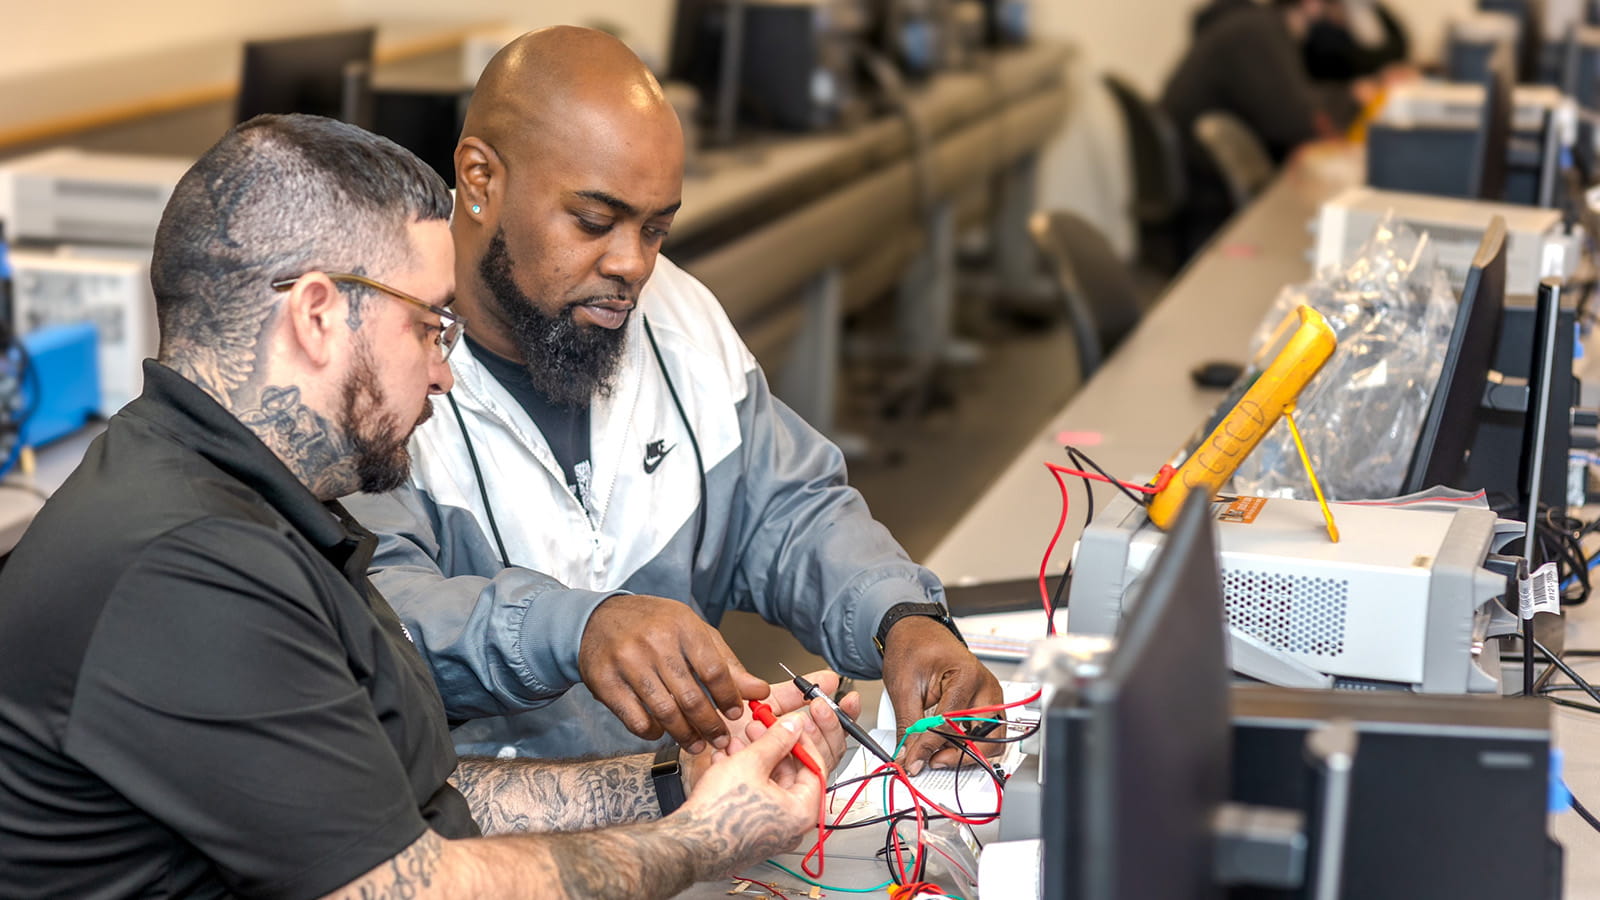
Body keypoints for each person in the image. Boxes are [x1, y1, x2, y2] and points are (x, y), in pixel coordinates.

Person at [0, 113, 852, 899]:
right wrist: (705, 839)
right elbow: (411, 885)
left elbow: (403, 806)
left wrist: (677, 783)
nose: (444, 369)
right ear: (319, 316)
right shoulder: (185, 568)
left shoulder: (262, 504)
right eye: (430, 326)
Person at [343, 26, 1001, 773]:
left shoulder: (676, 315)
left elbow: (785, 510)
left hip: (678, 820)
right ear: (480, 179)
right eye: (594, 222)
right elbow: (374, 613)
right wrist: (579, 628)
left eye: (656, 228)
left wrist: (901, 617)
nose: (632, 264)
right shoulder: (374, 362)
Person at [1161, 0, 1336, 257]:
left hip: (1191, 170)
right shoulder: (1260, 32)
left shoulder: (1247, 23)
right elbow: (1291, 121)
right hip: (1207, 186)